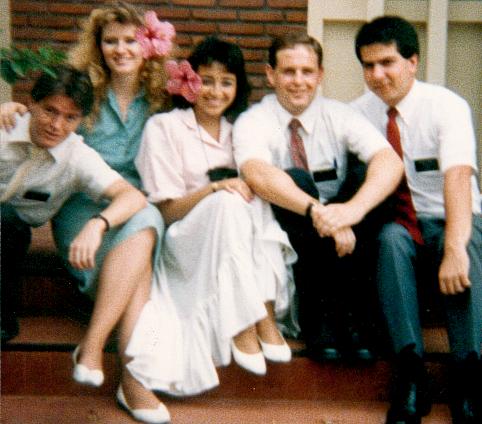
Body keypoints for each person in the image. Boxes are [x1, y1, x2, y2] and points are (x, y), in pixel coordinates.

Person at [0, 2, 174, 422]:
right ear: (97, 45)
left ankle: (95, 347)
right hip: (81, 202)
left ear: (149, 45)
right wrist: (11, 107)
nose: (121, 49)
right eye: (110, 41)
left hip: (131, 202)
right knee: (141, 254)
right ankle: (133, 383)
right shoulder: (84, 90)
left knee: (146, 218)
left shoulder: (164, 97)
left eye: (130, 40)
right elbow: (46, 109)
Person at [126, 36, 296, 396]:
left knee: (253, 196)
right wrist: (214, 189)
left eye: (226, 82)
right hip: (184, 242)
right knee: (229, 200)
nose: (216, 92)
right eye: (206, 80)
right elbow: (166, 212)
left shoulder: (240, 133)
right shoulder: (165, 127)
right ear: (188, 82)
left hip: (239, 239)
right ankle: (245, 322)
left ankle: (261, 312)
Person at [232, 32, 404, 364]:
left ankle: (351, 322)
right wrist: (317, 212)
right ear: (271, 74)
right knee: (295, 180)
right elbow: (256, 173)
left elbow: (389, 161)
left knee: (366, 178)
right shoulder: (254, 120)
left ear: (320, 75)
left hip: (346, 232)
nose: (299, 81)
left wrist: (351, 212)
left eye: (307, 72)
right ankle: (322, 323)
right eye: (289, 72)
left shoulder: (339, 114)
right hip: (297, 228)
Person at [352, 16, 481, 424]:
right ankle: (411, 374)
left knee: (468, 242)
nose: (377, 75)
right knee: (389, 239)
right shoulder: (357, 114)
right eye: (369, 65)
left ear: (413, 62)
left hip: (450, 218)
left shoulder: (446, 106)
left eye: (387, 62)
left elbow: (458, 178)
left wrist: (455, 249)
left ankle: (469, 375)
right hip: (402, 228)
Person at [0, 65, 145, 345]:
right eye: (50, 111)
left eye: (70, 117)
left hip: (8, 234)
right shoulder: (5, 127)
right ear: (32, 103)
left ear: (80, 120)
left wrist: (97, 225)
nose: (56, 125)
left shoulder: (77, 156)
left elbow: (132, 196)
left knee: (8, 223)